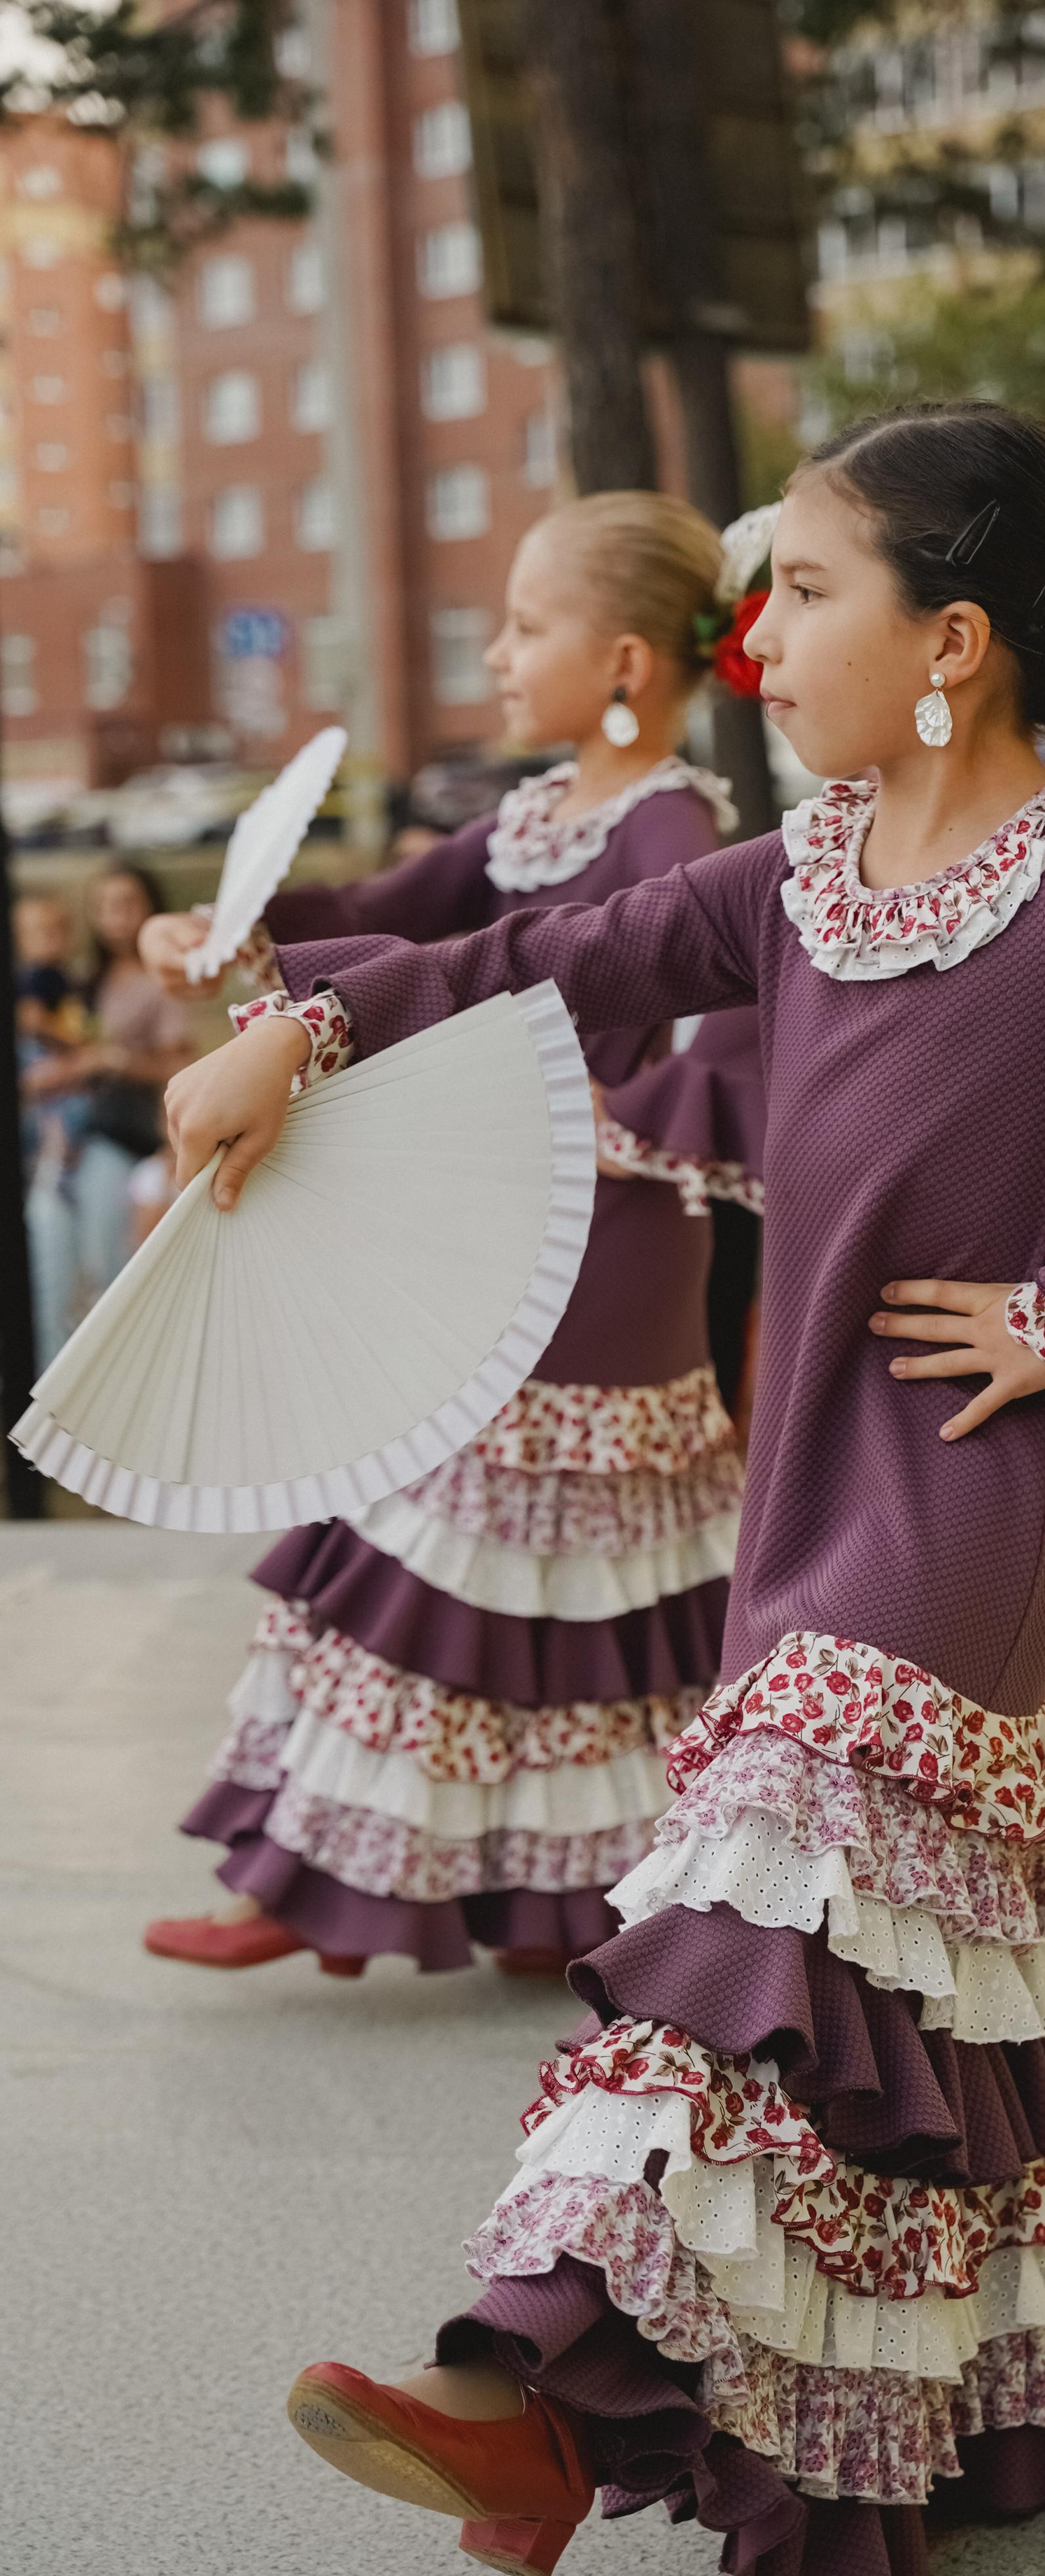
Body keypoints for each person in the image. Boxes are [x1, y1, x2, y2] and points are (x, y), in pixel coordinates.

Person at [160, 404, 1045, 2576]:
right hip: (799, 1460)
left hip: (965, 1485)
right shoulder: (802, 871)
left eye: (807, 590)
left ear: (955, 641)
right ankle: (1013, 2403)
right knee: (879, 1971)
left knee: (746, 1906)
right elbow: (545, 966)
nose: (758, 630)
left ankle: (523, 2386)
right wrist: (294, 1037)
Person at [137, 491, 766, 1980]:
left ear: (621, 662)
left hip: (603, 1250)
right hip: (510, 1234)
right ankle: (497, 1893)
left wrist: (609, 1123)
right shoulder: (539, 816)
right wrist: (231, 928)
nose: (492, 654)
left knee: (477, 1556)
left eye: (523, 626)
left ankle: (332, 1884)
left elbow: (727, 1036)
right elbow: (381, 911)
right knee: (466, 1556)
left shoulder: (675, 823)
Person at [26, 866, 193, 1366]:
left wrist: (115, 1059)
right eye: (105, 906)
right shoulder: (82, 982)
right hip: (61, 1145)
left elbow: (182, 1065)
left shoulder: (165, 981)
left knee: (109, 1270)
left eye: (127, 904)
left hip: (123, 1140)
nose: (116, 918)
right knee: (54, 1266)